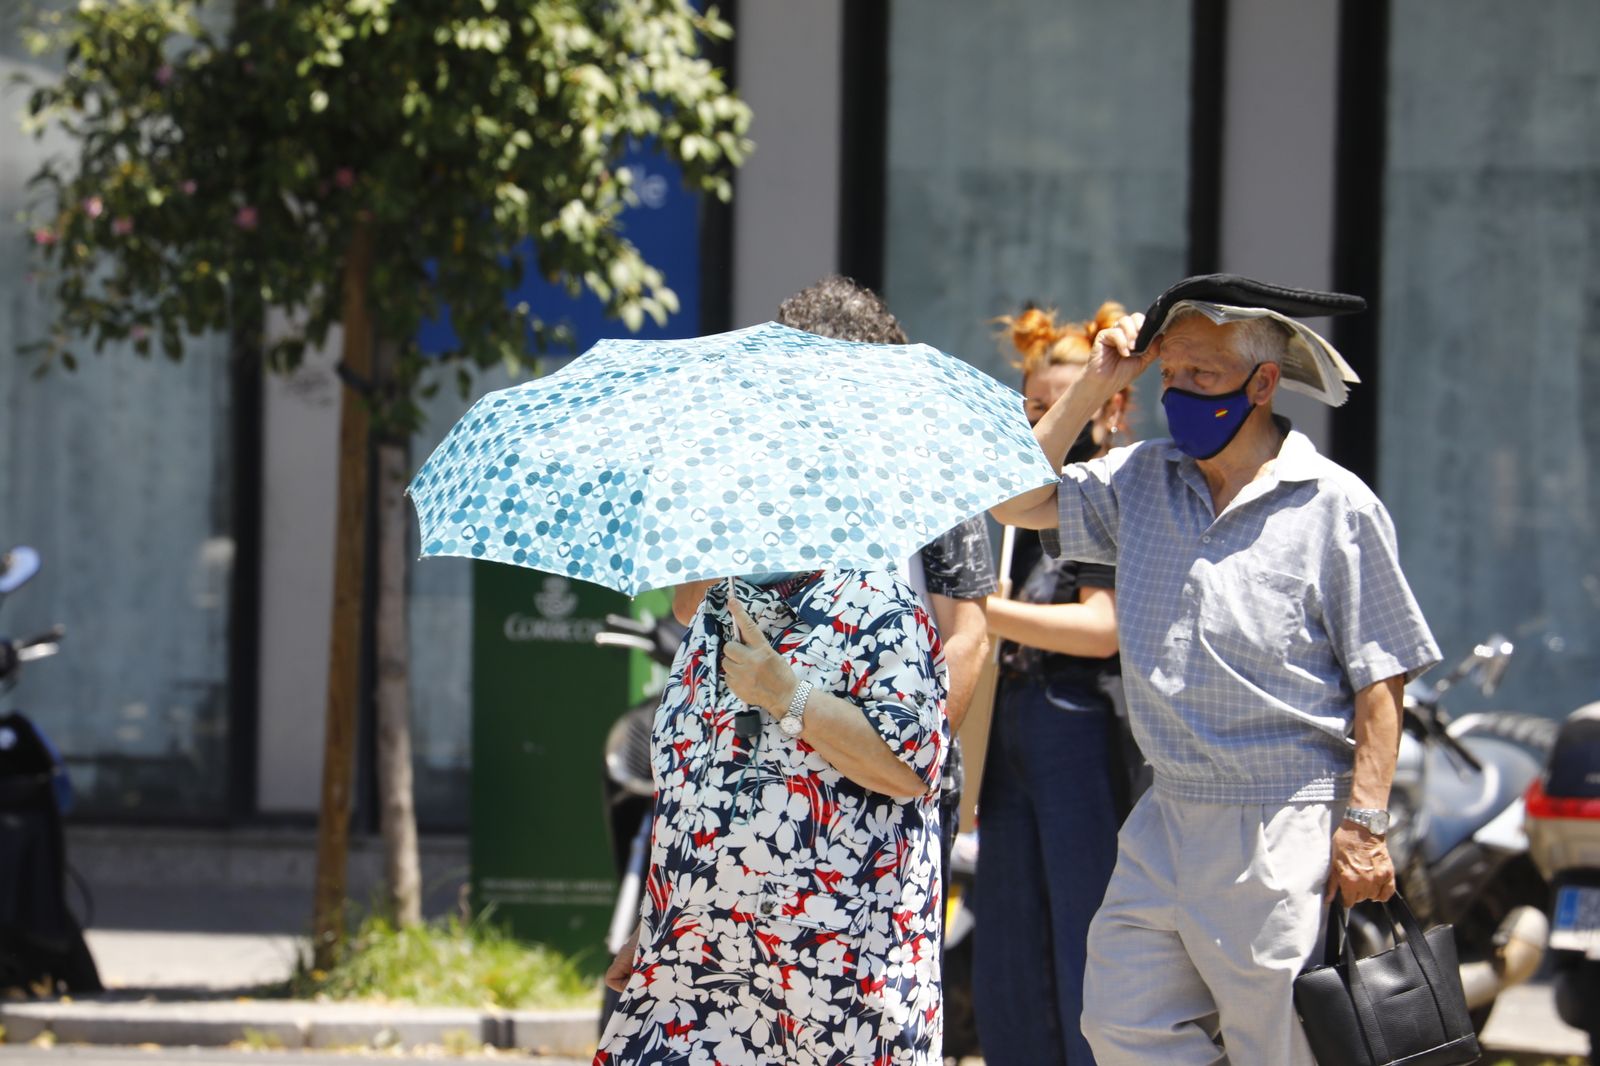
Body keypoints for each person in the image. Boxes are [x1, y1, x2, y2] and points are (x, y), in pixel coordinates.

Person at [990, 274, 1441, 1064]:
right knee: (1122, 1024)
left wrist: (1365, 825)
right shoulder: (1141, 478)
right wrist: (1098, 381)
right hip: (1167, 811)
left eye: (1202, 375)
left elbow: (1383, 677)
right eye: (1171, 376)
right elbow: (1013, 500)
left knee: (1281, 1046)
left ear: (1263, 382)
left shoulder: (1335, 505)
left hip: (1282, 820)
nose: (1181, 394)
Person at [674, 275, 997, 882]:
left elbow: (967, 637)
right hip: (755, 781)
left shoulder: (934, 474)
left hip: (887, 795)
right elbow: (690, 610)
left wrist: (898, 751)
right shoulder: (753, 474)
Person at [596, 568, 948, 1065]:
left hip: (833, 981)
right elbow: (697, 786)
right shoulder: (712, 617)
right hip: (695, 968)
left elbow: (909, 768)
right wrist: (662, 918)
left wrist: (789, 696)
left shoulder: (879, 604)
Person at [974, 302, 1133, 1066]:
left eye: (1069, 402)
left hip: (1079, 719)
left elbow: (1103, 628)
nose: (1052, 418)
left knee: (1084, 929)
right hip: (1013, 716)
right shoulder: (1013, 501)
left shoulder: (1115, 488)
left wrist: (989, 615)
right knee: (1007, 931)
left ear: (1114, 404)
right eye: (1037, 406)